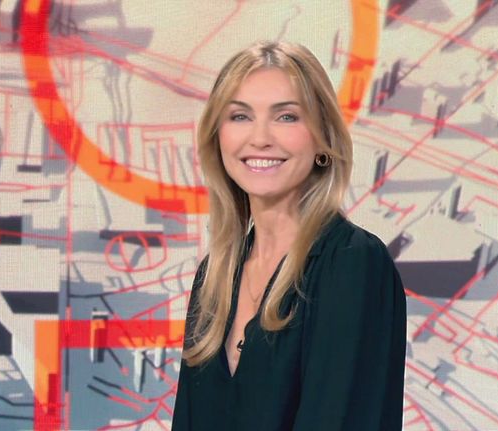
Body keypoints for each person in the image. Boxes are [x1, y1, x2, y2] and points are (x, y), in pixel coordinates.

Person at [171, 41, 406, 431]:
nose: (260, 138)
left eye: (286, 117)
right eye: (240, 116)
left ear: (322, 139)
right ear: (218, 138)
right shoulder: (214, 276)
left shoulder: (353, 263)